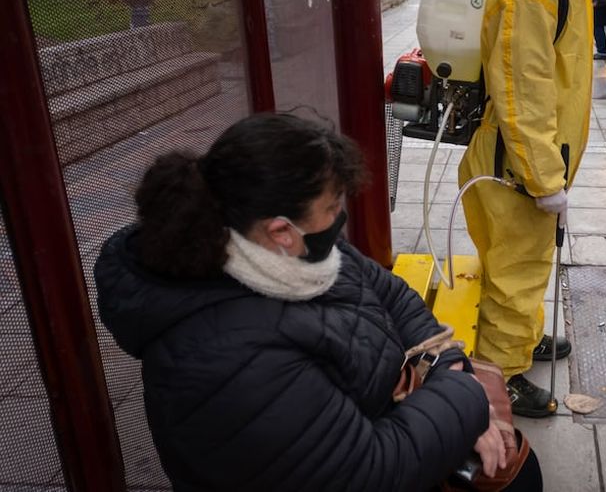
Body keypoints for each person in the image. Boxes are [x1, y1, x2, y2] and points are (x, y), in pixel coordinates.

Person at [93, 113, 542, 491]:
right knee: (515, 476)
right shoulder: (224, 361)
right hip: (363, 462)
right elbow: (371, 471)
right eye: (332, 207)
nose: (339, 219)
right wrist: (467, 399)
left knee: (514, 466)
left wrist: (447, 366)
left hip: (385, 415)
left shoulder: (294, 252)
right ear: (280, 230)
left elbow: (390, 294)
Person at [458, 0, 606, 418]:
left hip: (533, 165)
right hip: (515, 169)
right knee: (515, 273)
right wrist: (545, 179)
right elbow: (521, 97)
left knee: (525, 266)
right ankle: (500, 375)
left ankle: (521, 342)